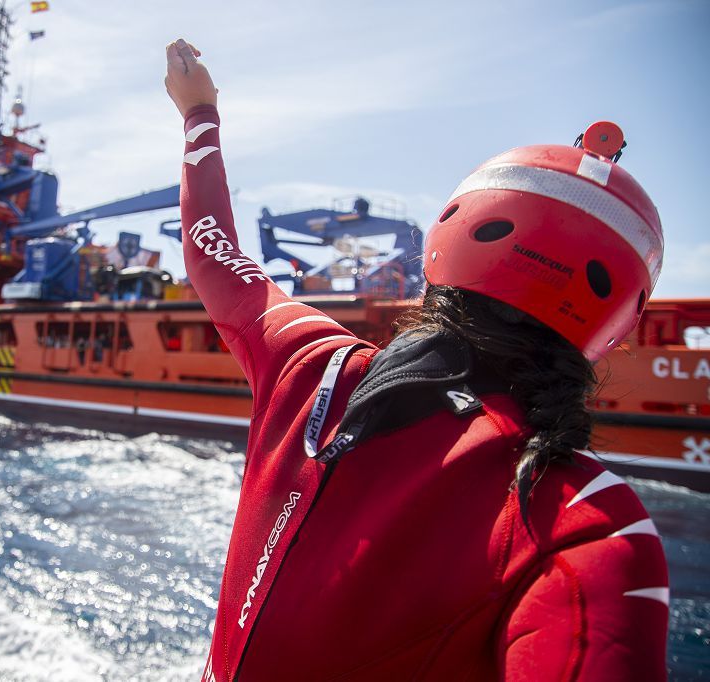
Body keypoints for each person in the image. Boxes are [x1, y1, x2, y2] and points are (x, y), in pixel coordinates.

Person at [164, 39, 669, 681]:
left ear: (445, 244)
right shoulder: (589, 523)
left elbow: (213, 251)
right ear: (615, 325)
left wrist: (199, 112)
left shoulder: (312, 368)